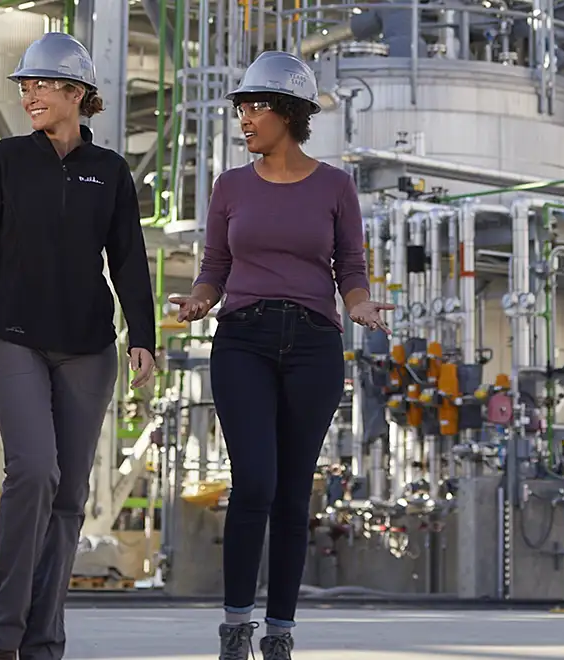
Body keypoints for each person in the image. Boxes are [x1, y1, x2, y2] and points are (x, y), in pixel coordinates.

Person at [170, 50, 392, 660]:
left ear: (289, 113)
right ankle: (236, 625)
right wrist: (197, 301)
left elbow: (350, 265)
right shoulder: (230, 186)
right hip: (243, 338)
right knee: (255, 484)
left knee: (295, 493)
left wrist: (361, 306)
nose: (243, 118)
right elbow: (215, 266)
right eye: (240, 107)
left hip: (315, 345)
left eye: (254, 107)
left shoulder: (335, 186)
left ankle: (280, 631)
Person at [0, 32, 158, 660]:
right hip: (12, 337)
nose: (29, 95)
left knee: (69, 496)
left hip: (88, 348)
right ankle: (4, 638)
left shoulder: (110, 170)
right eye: (24, 85)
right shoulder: (5, 159)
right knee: (34, 471)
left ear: (77, 93)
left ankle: (45, 639)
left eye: (41, 84)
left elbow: (127, 259)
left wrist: (142, 339)